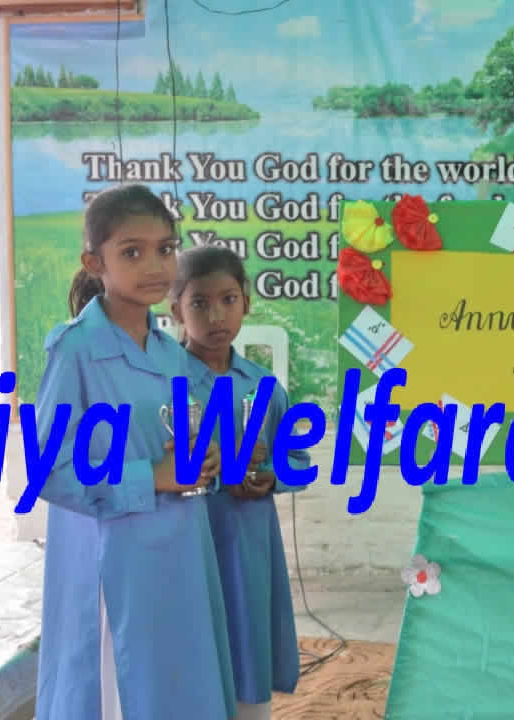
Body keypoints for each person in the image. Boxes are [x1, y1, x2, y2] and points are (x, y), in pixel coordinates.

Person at [32, 184, 237, 719]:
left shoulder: (171, 354)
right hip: (115, 561)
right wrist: (153, 476)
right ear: (94, 263)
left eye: (165, 249)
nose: (154, 265)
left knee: (181, 680)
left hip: (181, 549)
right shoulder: (77, 350)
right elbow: (47, 469)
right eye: (132, 251)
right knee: (123, 688)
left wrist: (207, 461)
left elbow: (182, 441)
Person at [171, 245, 312, 720]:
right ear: (176, 310)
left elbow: (298, 460)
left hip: (248, 539)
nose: (216, 316)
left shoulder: (263, 386)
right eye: (199, 303)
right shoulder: (165, 383)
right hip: (189, 537)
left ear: (246, 302)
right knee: (190, 638)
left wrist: (268, 477)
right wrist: (211, 475)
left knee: (247, 634)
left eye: (228, 300)